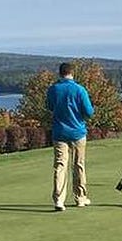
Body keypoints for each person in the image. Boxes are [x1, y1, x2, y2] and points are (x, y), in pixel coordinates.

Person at [46, 62, 95, 211]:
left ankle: (59, 200)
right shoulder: (80, 90)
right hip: (78, 132)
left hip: (59, 132)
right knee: (78, 165)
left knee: (60, 166)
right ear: (72, 73)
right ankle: (80, 198)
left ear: (60, 73)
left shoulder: (53, 89)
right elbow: (89, 112)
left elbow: (49, 106)